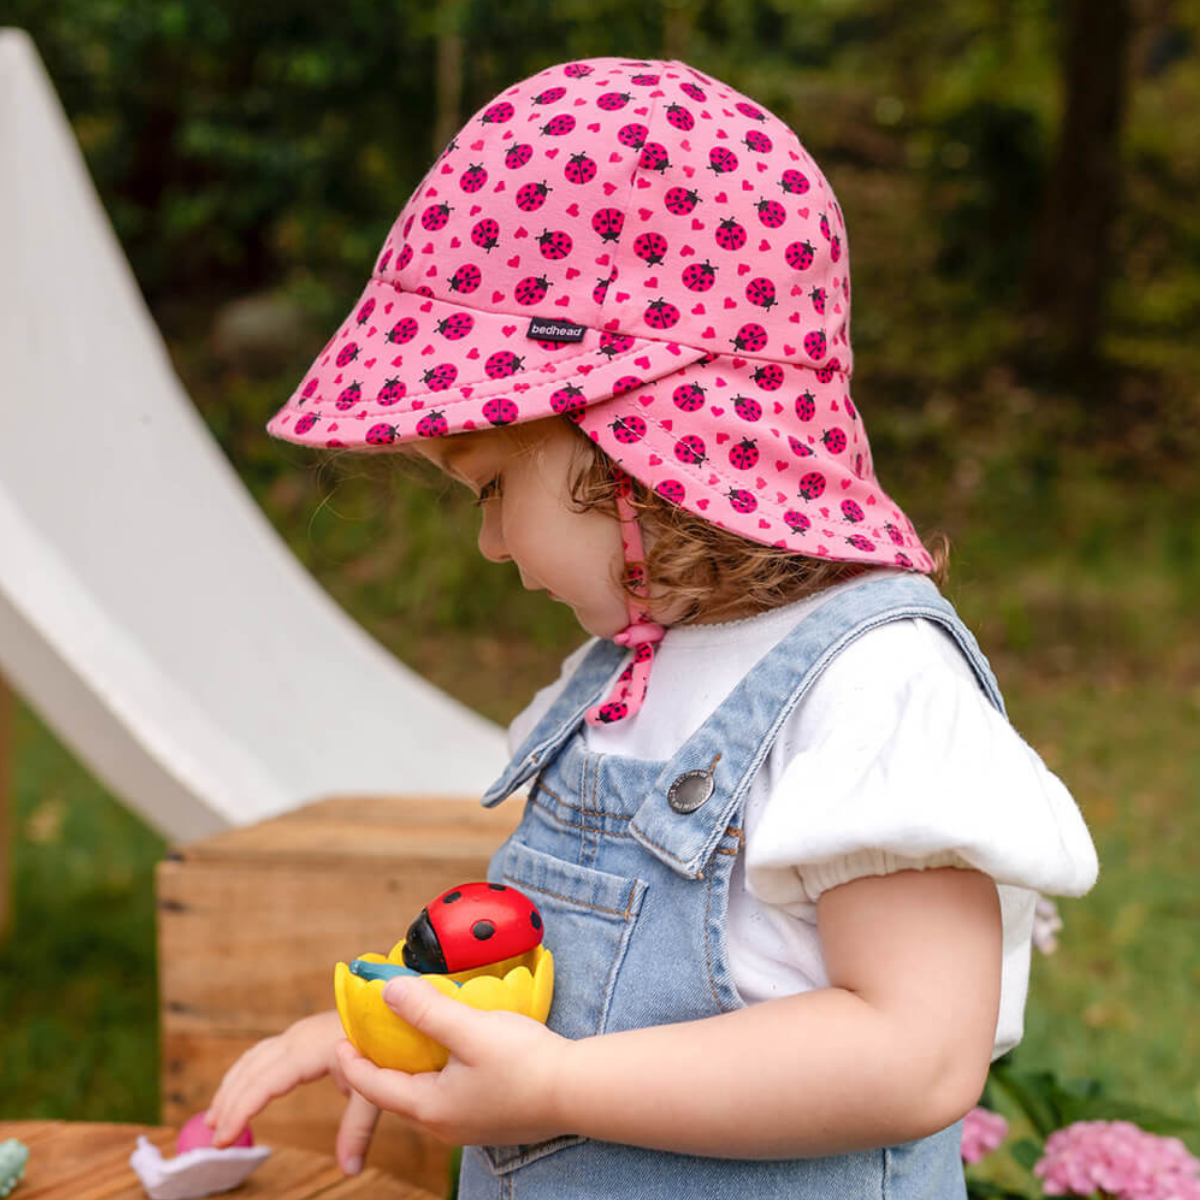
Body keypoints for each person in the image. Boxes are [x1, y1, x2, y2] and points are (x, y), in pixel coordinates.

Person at [204, 56, 1099, 1197]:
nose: (489, 546)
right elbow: (542, 975)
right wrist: (394, 1021)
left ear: (639, 440)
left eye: (488, 488)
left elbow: (916, 1054)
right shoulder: (622, 678)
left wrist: (555, 1091)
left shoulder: (870, 690)